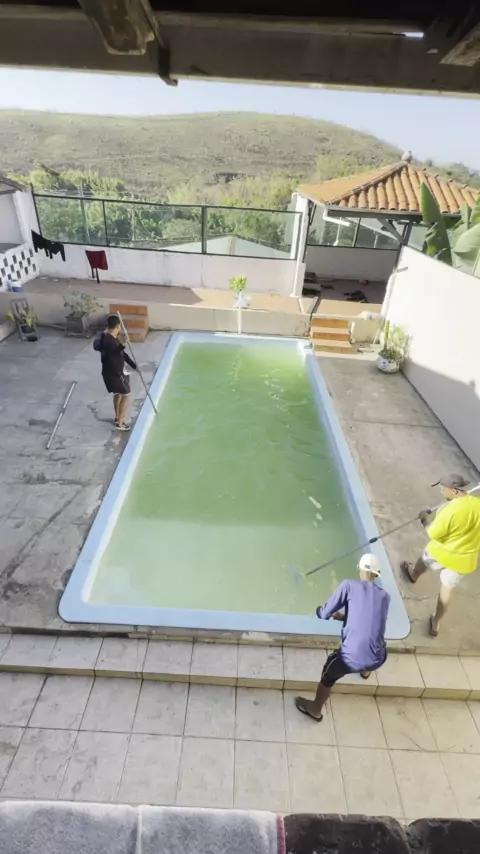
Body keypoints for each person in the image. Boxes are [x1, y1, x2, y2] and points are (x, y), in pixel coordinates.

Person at [295, 553, 390, 722]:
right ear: (377, 574)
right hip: (378, 659)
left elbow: (324, 614)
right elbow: (370, 619)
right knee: (375, 640)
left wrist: (319, 611)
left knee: (329, 672)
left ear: (358, 569)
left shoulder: (349, 585)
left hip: (350, 660)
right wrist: (345, 617)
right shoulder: (385, 597)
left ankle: (315, 709)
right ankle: (366, 672)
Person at [401, 473, 480, 637]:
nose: (441, 492)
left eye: (443, 489)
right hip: (464, 560)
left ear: (455, 491)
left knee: (424, 560)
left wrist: (424, 519)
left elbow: (433, 533)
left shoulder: (448, 511)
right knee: (447, 589)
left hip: (442, 552)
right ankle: (436, 622)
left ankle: (413, 575)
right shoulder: (477, 504)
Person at [95, 314, 137, 431]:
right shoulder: (108, 341)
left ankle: (117, 417)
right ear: (118, 326)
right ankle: (120, 422)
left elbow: (122, 354)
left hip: (112, 373)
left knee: (118, 393)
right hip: (115, 374)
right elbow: (112, 352)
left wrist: (134, 365)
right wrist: (122, 344)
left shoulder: (110, 337)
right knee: (126, 395)